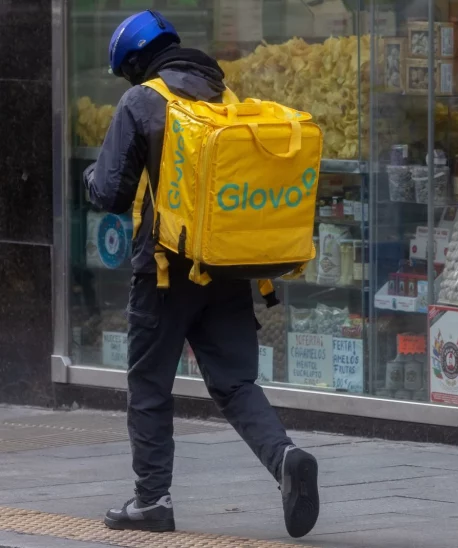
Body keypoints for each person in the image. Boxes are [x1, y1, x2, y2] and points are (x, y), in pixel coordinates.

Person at [82, 10, 320, 538]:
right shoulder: (225, 99)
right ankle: (286, 458)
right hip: (227, 266)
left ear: (136, 62)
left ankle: (152, 502)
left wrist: (90, 175)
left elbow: (112, 193)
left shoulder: (141, 102)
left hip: (164, 272)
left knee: (149, 386)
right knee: (235, 382)